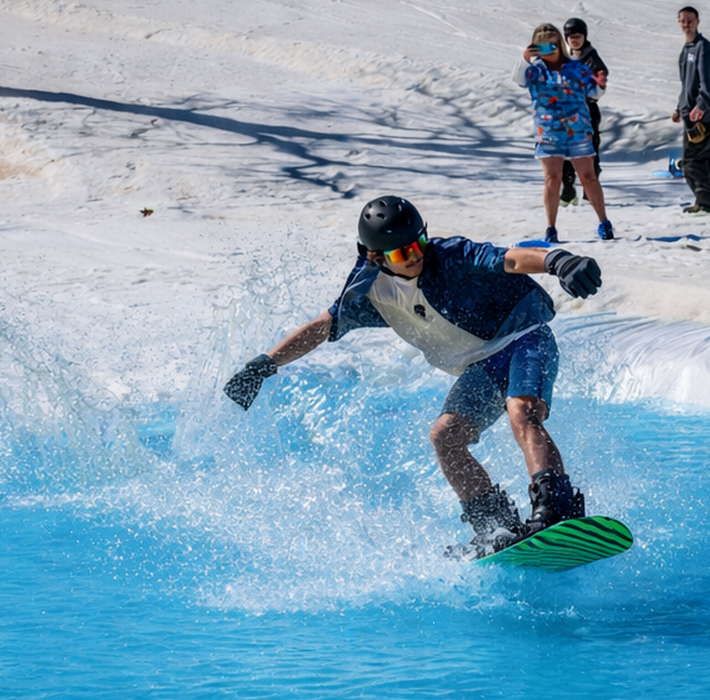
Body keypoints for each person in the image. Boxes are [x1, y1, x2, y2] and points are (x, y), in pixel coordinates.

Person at [222, 196, 605, 559]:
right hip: (482, 365)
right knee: (445, 437)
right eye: (403, 253)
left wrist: (559, 261)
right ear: (375, 256)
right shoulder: (369, 291)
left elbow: (511, 259)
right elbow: (322, 327)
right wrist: (264, 364)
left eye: (419, 242)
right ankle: (494, 527)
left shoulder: (451, 256)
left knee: (522, 411)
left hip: (525, 337)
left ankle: (556, 506)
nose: (417, 255)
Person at [516, 23, 614, 243]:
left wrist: (600, 84)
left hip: (577, 130)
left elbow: (594, 92)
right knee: (552, 179)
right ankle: (551, 227)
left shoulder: (575, 67)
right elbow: (520, 80)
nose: (547, 49)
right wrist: (524, 59)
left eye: (551, 44)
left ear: (559, 43)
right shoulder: (535, 70)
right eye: (541, 45)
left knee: (588, 177)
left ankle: (604, 222)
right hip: (549, 131)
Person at [674, 6, 710, 214]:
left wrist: (701, 106)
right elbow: (686, 84)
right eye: (683, 21)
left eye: (690, 21)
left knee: (693, 162)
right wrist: (679, 108)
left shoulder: (703, 48)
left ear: (697, 22)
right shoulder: (687, 49)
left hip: (701, 116)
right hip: (690, 115)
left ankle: (706, 203)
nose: (687, 25)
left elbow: (707, 82)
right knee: (704, 161)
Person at [558, 18, 610, 207]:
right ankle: (568, 189)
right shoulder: (565, 56)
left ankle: (590, 192)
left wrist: (596, 86)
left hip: (587, 111)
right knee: (565, 151)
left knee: (589, 151)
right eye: (571, 37)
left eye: (578, 37)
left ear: (584, 37)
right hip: (567, 111)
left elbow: (598, 86)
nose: (574, 41)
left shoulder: (591, 58)